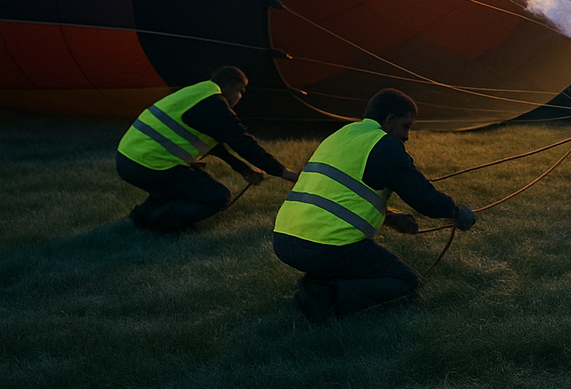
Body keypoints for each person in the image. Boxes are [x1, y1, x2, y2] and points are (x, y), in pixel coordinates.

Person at [271, 88, 477, 322]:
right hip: (326, 245)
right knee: (405, 282)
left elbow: (339, 193)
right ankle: (322, 297)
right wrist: (455, 212)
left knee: (356, 266)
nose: (407, 136)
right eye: (406, 126)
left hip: (284, 240)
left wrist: (390, 217)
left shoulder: (342, 134)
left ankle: (319, 281)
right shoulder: (385, 145)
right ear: (390, 120)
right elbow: (422, 196)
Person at [116, 66, 299, 232]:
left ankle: (143, 213)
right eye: (240, 91)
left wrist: (243, 169)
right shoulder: (214, 105)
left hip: (127, 158)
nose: (240, 97)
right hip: (150, 165)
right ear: (227, 86)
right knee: (216, 195)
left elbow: (215, 145)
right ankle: (155, 221)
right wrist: (282, 172)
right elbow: (243, 142)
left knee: (189, 183)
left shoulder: (198, 93)